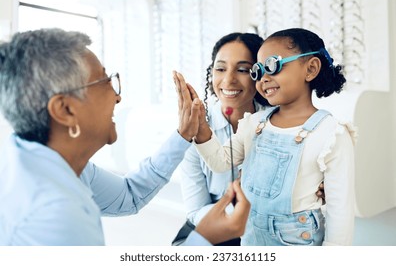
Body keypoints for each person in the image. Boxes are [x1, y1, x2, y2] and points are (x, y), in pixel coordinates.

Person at [0, 28, 250, 246]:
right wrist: (202, 240)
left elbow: (129, 195)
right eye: (105, 81)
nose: (117, 96)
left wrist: (184, 134)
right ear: (65, 110)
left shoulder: (50, 162)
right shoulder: (54, 214)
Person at [174, 28, 356, 246]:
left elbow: (340, 214)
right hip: (247, 237)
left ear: (311, 68)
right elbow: (220, 162)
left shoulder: (332, 133)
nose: (264, 78)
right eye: (258, 72)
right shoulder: (254, 124)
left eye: (272, 66)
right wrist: (200, 126)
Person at [173, 32, 269, 246]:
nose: (228, 80)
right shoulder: (194, 129)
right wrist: (237, 213)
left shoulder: (275, 122)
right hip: (214, 228)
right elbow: (196, 210)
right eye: (221, 68)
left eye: (243, 70)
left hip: (267, 229)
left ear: (259, 74)